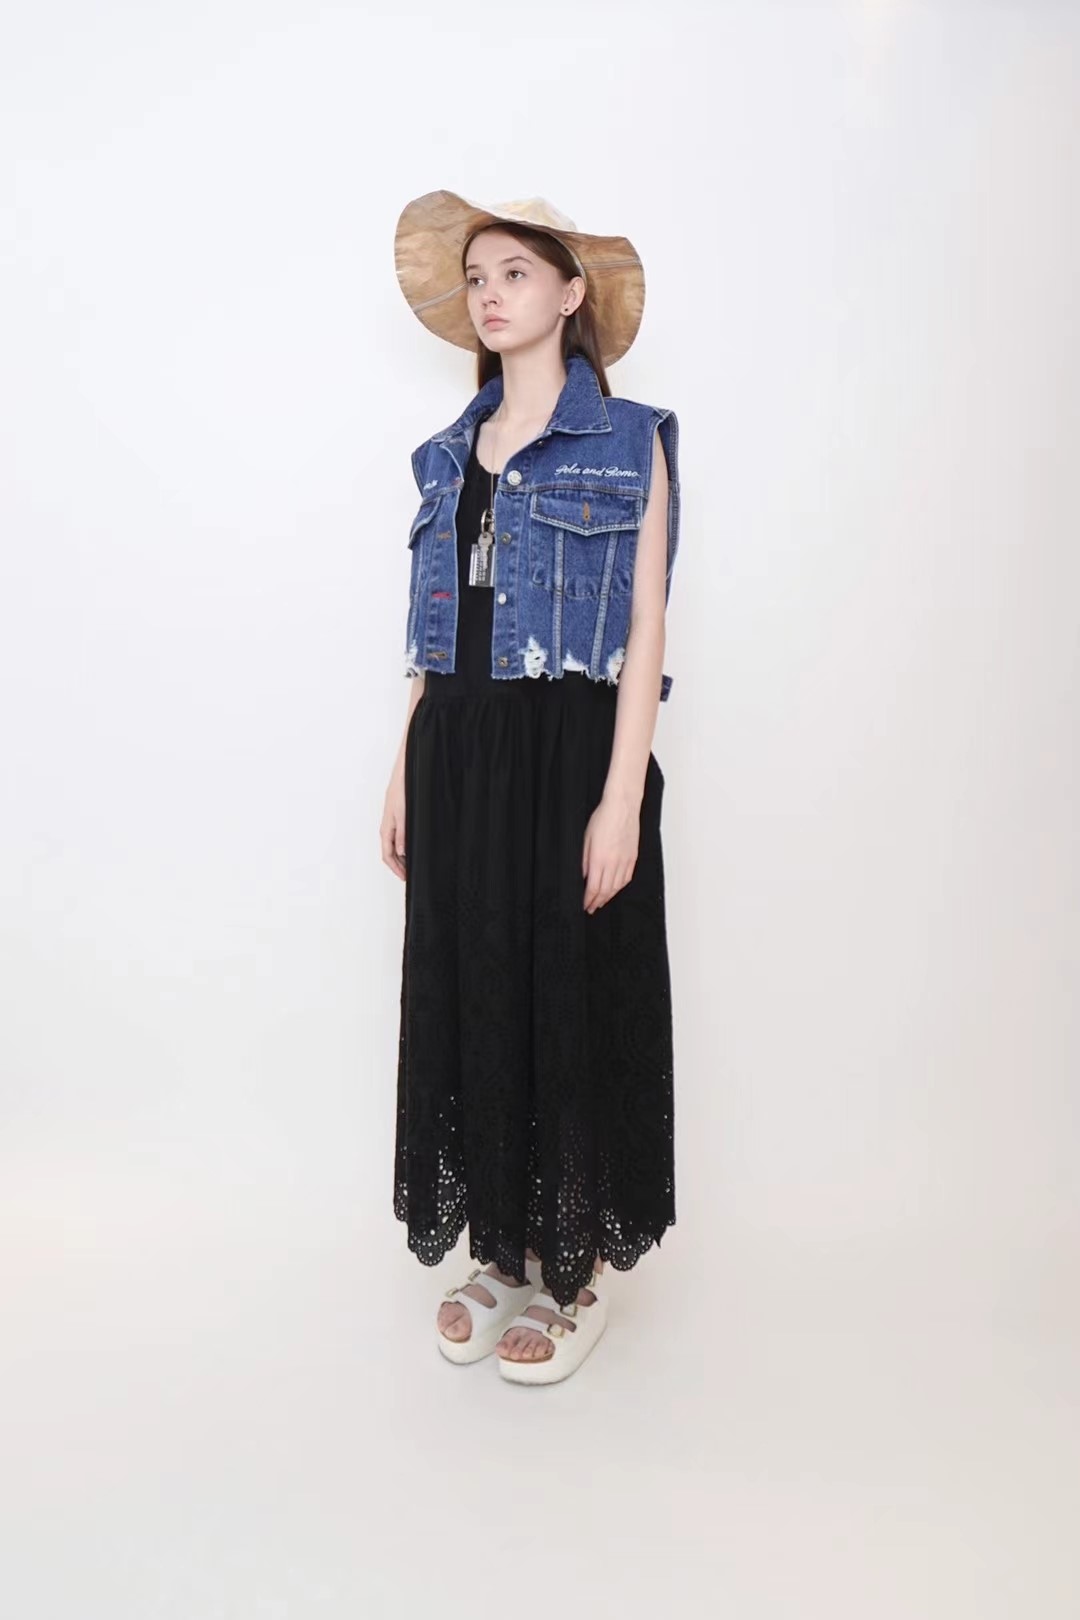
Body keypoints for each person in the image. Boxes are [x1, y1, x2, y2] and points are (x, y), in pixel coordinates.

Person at [381, 190, 682, 1386]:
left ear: (569, 293)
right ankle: (500, 1252)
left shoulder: (632, 439)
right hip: (458, 751)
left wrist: (621, 797)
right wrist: (404, 762)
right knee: (477, 982)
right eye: (478, 278)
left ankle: (573, 1274)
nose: (491, 294)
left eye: (515, 271)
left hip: (570, 751)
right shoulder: (447, 452)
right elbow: (435, 630)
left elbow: (646, 627)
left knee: (571, 989)